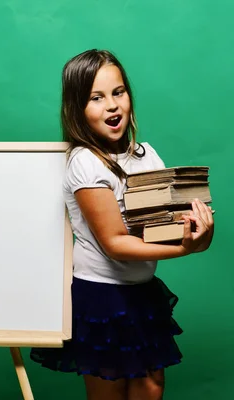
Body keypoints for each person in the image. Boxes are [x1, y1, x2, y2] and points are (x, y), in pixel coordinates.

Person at [30, 49, 214, 400]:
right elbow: (115, 243)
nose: (112, 106)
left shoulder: (145, 155)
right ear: (77, 109)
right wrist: (185, 249)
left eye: (118, 93)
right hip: (101, 294)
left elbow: (170, 224)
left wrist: (201, 231)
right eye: (96, 98)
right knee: (109, 391)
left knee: (150, 384)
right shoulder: (85, 163)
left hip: (141, 291)